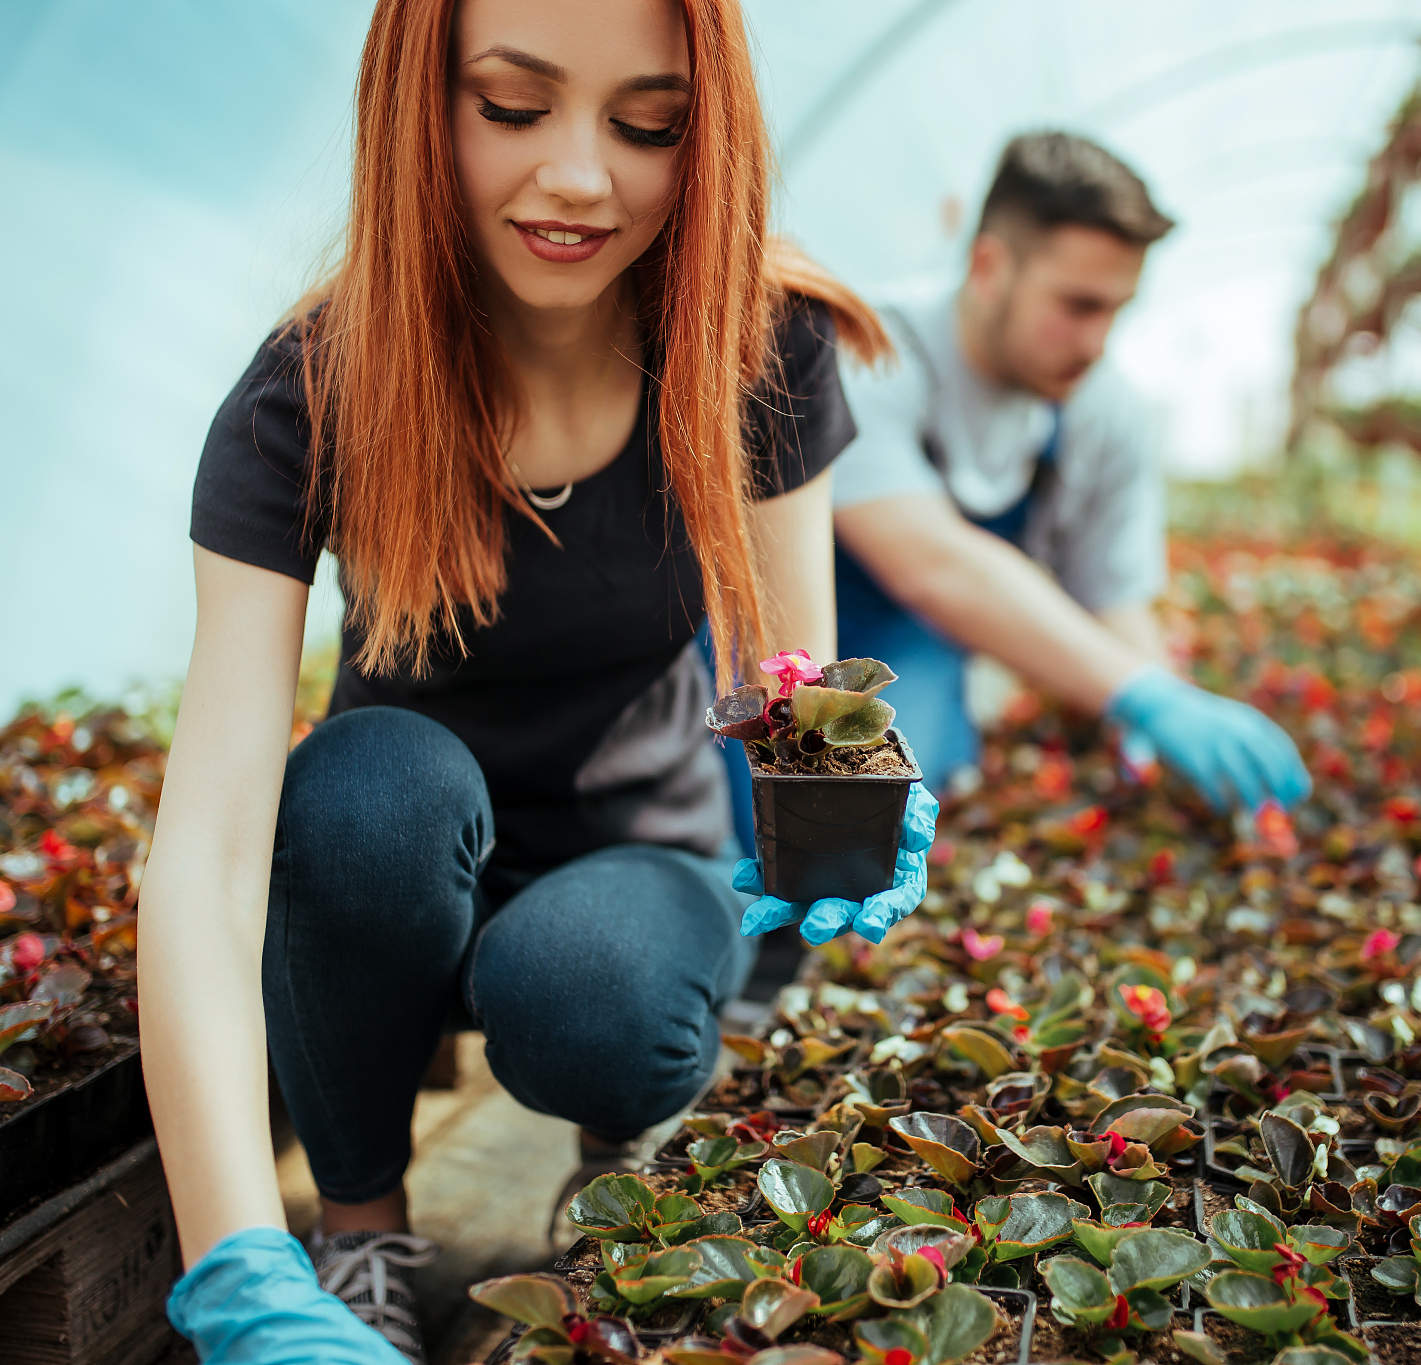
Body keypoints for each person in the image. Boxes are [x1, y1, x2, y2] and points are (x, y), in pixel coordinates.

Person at [140, 2, 934, 1361]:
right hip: (376, 890)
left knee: (595, 990)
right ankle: (354, 1234)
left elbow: (799, 688)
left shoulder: (756, 347)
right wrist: (233, 1260)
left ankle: (608, 1168)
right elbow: (211, 852)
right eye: (513, 108)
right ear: (419, 107)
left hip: (634, 869)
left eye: (649, 125)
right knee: (366, 786)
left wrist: (852, 805)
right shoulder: (312, 394)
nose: (581, 176)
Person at [828, 133, 1311, 812]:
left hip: (920, 664)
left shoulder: (1103, 409)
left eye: (1118, 309)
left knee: (916, 764)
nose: (1097, 342)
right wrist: (1140, 693)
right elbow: (932, 564)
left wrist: (1152, 713)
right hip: (784, 652)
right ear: (989, 266)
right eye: (1078, 305)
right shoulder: (863, 353)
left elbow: (1113, 596)